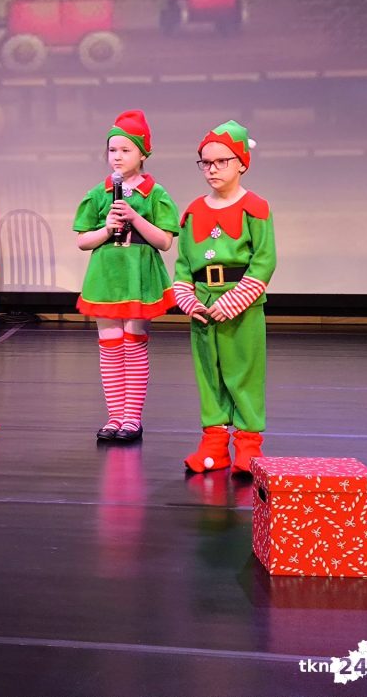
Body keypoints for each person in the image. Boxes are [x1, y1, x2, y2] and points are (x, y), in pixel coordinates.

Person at [175, 120, 275, 475]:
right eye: (206, 163)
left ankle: (248, 445)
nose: (212, 169)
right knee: (209, 373)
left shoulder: (255, 208)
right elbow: (183, 266)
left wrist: (232, 302)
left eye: (221, 161)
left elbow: (264, 261)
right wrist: (189, 300)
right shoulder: (193, 212)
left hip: (241, 307)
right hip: (204, 306)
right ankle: (214, 444)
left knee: (244, 371)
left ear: (242, 163)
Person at [74, 110, 179, 442]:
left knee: (133, 345)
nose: (117, 157)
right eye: (112, 150)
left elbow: (164, 241)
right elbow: (82, 240)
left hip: (138, 275)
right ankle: (114, 417)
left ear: (143, 153)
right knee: (109, 346)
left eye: (125, 150)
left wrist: (134, 217)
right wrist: (106, 229)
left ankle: (132, 418)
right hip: (107, 275)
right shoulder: (98, 193)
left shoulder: (155, 193)